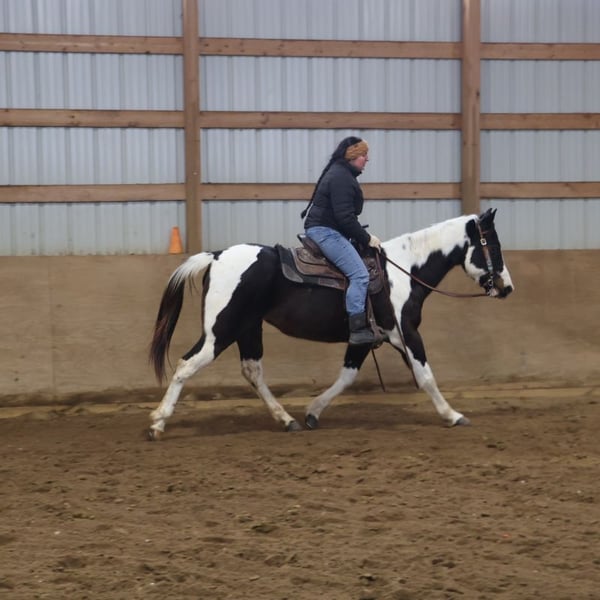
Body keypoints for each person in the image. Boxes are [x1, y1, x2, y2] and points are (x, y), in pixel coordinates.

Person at [302, 136, 382, 346]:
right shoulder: (342, 177)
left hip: (328, 229)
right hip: (325, 232)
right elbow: (345, 217)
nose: (367, 159)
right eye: (364, 155)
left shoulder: (341, 173)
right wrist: (367, 238)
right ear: (353, 156)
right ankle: (357, 329)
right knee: (360, 275)